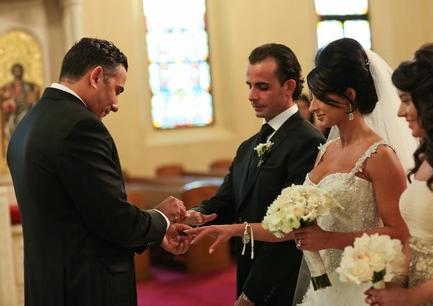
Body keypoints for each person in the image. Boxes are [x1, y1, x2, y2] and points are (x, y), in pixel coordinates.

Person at [187, 38, 415, 306]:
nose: (314, 106)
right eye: (314, 96)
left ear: (350, 96)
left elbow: (400, 234)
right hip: (323, 290)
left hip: (361, 287)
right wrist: (234, 229)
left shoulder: (379, 155)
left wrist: (330, 239)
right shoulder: (326, 151)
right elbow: (295, 229)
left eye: (321, 97)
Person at [6, 38, 198, 306]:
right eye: (117, 90)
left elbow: (79, 215)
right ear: (96, 76)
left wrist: (154, 231)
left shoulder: (28, 124)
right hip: (87, 288)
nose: (116, 103)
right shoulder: (81, 127)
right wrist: (161, 218)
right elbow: (113, 219)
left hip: (46, 284)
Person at [186, 43, 325, 306]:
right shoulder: (248, 146)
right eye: (249, 85)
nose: (251, 95)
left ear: (289, 87)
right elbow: (225, 202)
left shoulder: (307, 142)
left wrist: (254, 294)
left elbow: (294, 228)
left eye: (262, 86)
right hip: (247, 269)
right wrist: (194, 216)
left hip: (282, 281)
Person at [365, 43, 433, 306]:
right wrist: (396, 282)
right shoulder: (428, 158)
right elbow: (415, 239)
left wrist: (413, 296)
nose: (399, 112)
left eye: (406, 100)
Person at [0, 63, 40, 140]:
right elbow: (4, 103)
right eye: (16, 70)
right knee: (11, 128)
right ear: (12, 72)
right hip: (13, 116)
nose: (18, 71)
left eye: (19, 69)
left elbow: (34, 101)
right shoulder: (7, 87)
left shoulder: (29, 86)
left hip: (26, 113)